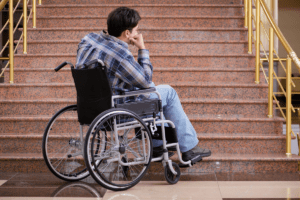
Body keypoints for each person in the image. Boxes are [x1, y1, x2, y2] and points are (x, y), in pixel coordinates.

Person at [76, 7, 211, 162]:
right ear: (127, 33)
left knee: (152, 91)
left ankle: (159, 146)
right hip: (117, 111)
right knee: (167, 92)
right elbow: (145, 81)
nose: (137, 34)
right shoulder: (119, 55)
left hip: (90, 108)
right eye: (136, 30)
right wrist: (142, 49)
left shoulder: (88, 39)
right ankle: (188, 148)